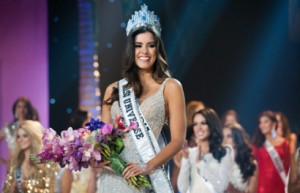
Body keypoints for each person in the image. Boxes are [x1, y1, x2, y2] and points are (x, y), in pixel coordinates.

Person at [95, 4, 186, 193]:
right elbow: (103, 138)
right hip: (113, 177)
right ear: (131, 49)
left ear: (157, 49)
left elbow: (178, 140)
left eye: (150, 45)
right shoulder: (113, 89)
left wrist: (149, 166)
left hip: (145, 175)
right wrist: (95, 154)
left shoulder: (171, 87)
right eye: (138, 45)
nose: (144, 51)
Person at [177, 108, 234, 193]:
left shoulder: (225, 151)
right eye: (195, 124)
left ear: (212, 125)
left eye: (203, 123)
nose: (199, 128)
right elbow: (183, 189)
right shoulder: (191, 153)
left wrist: (200, 163)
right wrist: (185, 160)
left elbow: (221, 186)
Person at [2, 120, 56, 192]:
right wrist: (12, 190)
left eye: (25, 136)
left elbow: (50, 190)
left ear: (33, 136)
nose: (20, 140)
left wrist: (28, 188)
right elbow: (5, 190)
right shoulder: (16, 163)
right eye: (18, 136)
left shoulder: (45, 162)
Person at [0, 96, 39, 190]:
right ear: (15, 109)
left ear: (28, 109)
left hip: (30, 165)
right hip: (13, 167)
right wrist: (5, 162)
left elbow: (38, 147)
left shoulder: (33, 126)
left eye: (24, 106)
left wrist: (37, 161)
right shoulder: (9, 128)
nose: (21, 109)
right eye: (19, 106)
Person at [55, 109, 93, 193]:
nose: (91, 122)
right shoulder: (71, 152)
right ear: (81, 122)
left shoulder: (93, 144)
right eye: (88, 119)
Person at [252, 111, 290, 193]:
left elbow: (287, 167)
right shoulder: (257, 145)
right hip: (262, 188)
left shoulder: (284, 144)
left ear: (273, 124)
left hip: (280, 186)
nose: (262, 125)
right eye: (260, 122)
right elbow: (255, 171)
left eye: (266, 121)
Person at [171, 100, 205, 192]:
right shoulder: (183, 134)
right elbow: (177, 160)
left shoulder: (206, 135)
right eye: (197, 113)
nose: (200, 116)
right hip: (183, 171)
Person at [222, 123, 257, 193]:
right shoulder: (217, 160)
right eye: (223, 136)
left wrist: (233, 189)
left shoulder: (250, 163)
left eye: (229, 136)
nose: (224, 140)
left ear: (236, 139)